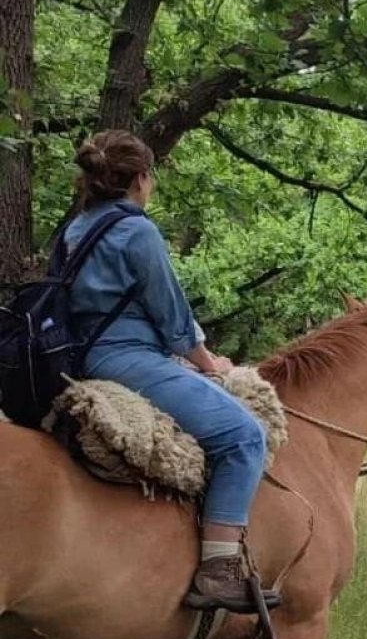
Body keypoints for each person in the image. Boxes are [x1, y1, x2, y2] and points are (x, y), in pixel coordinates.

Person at [63, 130, 280, 614]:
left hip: (83, 356)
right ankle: (218, 568)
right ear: (141, 179)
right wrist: (212, 365)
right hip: (128, 359)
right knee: (244, 436)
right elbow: (173, 318)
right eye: (151, 177)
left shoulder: (77, 229)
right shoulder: (136, 230)